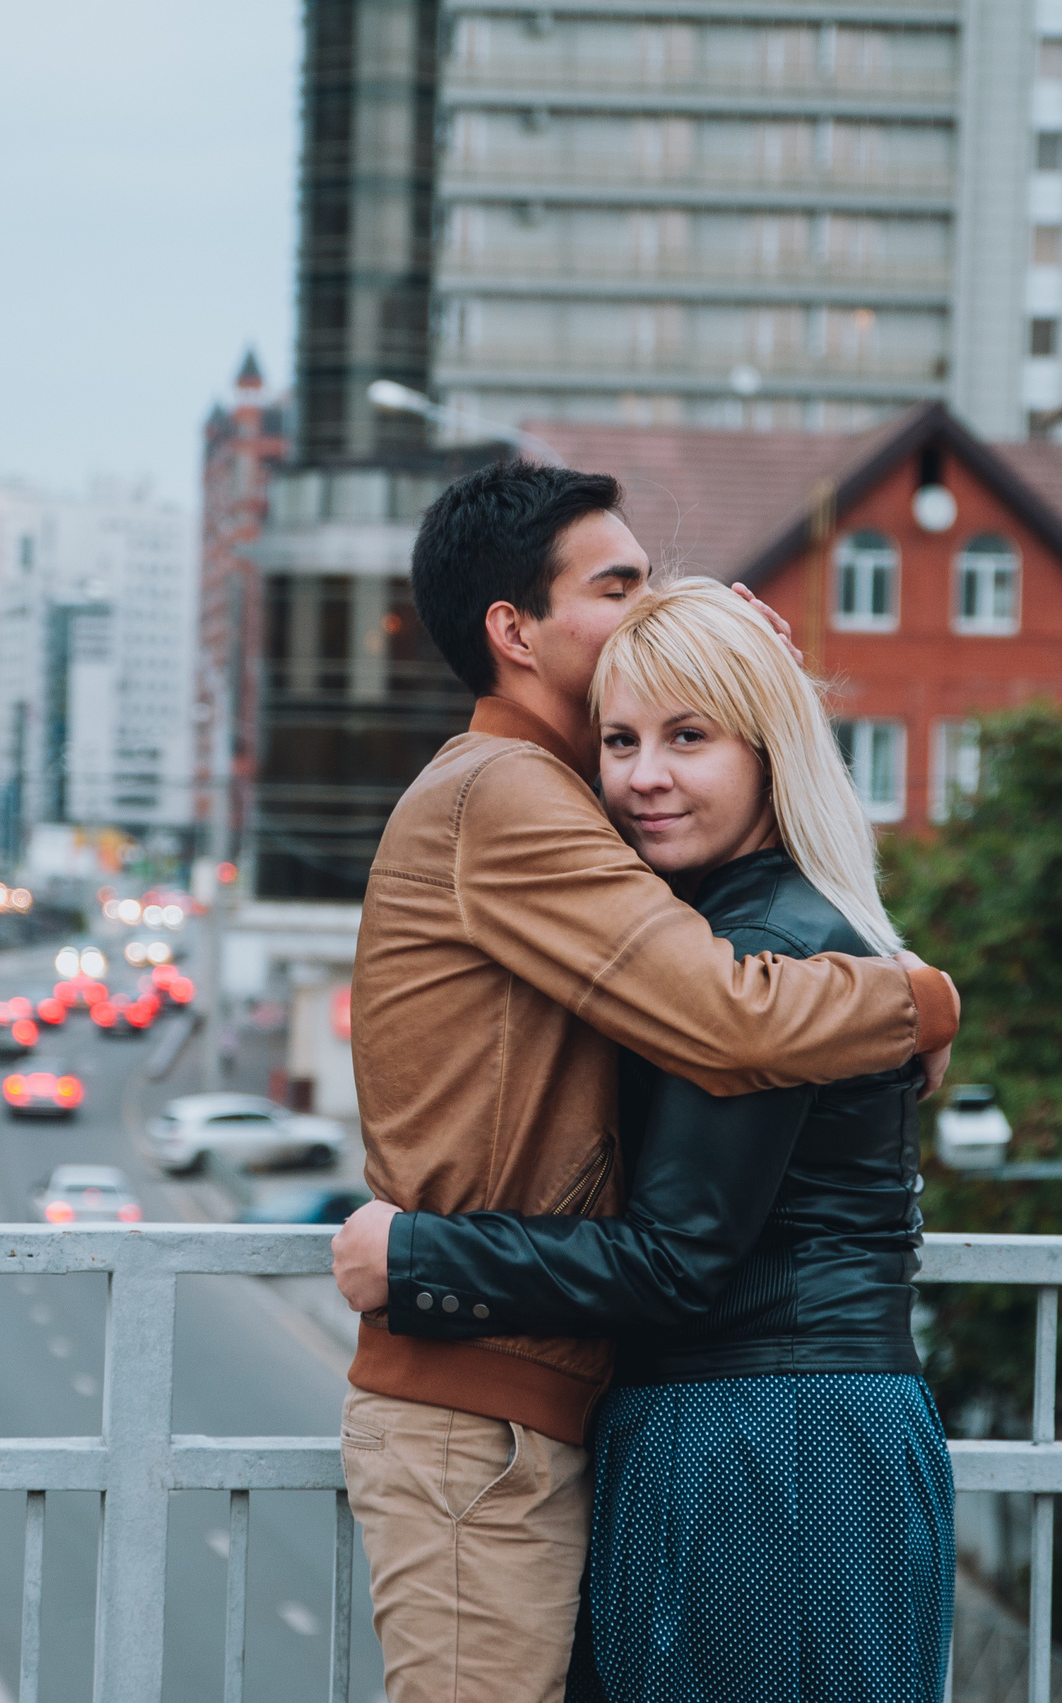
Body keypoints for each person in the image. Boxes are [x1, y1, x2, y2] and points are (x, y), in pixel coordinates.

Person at [342, 460, 961, 1703]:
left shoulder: (598, 814)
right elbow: (725, 1014)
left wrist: (724, 664)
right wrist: (919, 1000)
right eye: (619, 588)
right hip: (505, 1410)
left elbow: (716, 1025)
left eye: (685, 734)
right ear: (515, 631)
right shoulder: (511, 791)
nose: (643, 768)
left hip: (704, 1416)